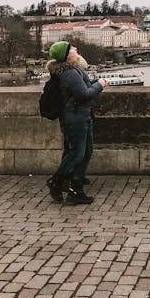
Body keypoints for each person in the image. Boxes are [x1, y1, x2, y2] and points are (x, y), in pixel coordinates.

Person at [46, 41, 108, 204]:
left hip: (82, 116)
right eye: (72, 48)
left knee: (86, 152)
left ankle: (75, 187)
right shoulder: (69, 73)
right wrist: (100, 85)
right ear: (67, 55)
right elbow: (83, 95)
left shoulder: (73, 69)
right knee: (77, 154)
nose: (75, 49)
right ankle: (56, 181)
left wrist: (94, 85)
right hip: (75, 119)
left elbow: (83, 90)